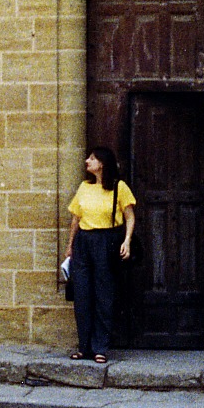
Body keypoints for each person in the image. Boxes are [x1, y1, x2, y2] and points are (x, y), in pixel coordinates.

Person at [64, 146, 136, 363]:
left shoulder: (118, 188)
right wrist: (70, 247)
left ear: (102, 163)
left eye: (92, 159)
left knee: (104, 294)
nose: (87, 161)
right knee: (82, 294)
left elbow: (130, 217)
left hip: (106, 241)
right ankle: (84, 347)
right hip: (84, 242)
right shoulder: (84, 187)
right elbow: (75, 219)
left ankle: (100, 348)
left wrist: (127, 241)